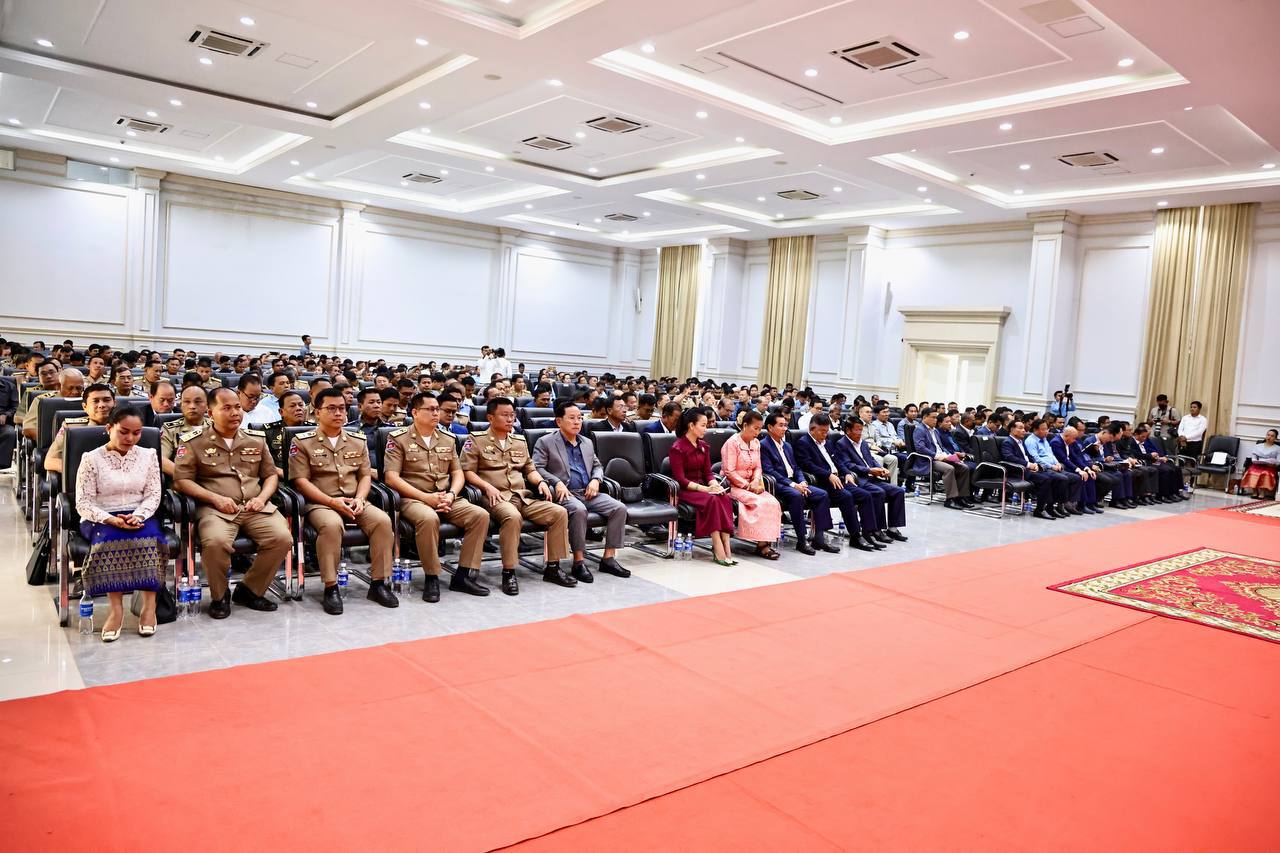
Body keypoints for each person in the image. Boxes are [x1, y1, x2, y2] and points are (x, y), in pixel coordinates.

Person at [173, 387, 293, 619]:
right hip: (215, 509)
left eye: (237, 407)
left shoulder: (256, 439)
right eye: (226, 408)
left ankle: (250, 590)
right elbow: (181, 481)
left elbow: (270, 475)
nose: (235, 412)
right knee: (216, 542)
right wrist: (214, 498)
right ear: (210, 413)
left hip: (255, 507)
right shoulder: (194, 442)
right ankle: (220, 596)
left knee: (282, 538)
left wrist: (262, 498)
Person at [289, 388, 398, 615]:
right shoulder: (302, 442)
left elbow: (365, 476)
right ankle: (331, 587)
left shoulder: (357, 440)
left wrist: (360, 498)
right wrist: (332, 502)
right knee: (331, 525)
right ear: (317, 412)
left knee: (382, 521)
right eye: (331, 408)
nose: (338, 413)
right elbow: (300, 482)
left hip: (354, 500)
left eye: (342, 408)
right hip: (320, 502)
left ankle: (378, 583)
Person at [384, 394, 490, 602]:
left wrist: (452, 494)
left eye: (436, 409)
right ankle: (432, 577)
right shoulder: (398, 438)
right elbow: (391, 478)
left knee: (480, 515)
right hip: (413, 498)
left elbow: (457, 473)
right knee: (428, 518)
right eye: (430, 409)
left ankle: (463, 575)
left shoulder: (447, 438)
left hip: (445, 496)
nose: (436, 413)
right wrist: (426, 497)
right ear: (415, 412)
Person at [74, 406, 167, 641]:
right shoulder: (91, 459)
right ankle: (116, 610)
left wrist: (139, 515)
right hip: (100, 516)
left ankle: (149, 607)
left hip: (139, 513)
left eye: (136, 433)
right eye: (123, 432)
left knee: (151, 540)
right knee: (110, 540)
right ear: (109, 428)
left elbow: (153, 494)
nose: (130, 438)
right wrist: (111, 519)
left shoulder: (148, 456)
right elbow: (83, 502)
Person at [463, 397, 572, 595]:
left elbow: (530, 469)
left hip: (522, 496)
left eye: (512, 415)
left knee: (558, 512)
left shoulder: (519, 441)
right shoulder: (476, 440)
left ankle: (553, 567)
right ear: (490, 417)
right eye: (504, 415)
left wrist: (540, 482)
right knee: (512, 517)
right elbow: (467, 471)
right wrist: (486, 487)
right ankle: (509, 571)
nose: (510, 419)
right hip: (494, 496)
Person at [533, 401, 631, 580]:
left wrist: (596, 480)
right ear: (559, 421)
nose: (577, 422)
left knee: (619, 508)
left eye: (579, 418)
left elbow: (597, 466)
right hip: (565, 493)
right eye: (571, 418)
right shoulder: (546, 442)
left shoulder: (586, 442)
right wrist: (556, 482)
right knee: (579, 510)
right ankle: (578, 562)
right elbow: (537, 468)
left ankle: (608, 559)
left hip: (588, 491)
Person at [795, 413, 883, 551]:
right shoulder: (803, 443)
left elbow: (838, 461)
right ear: (812, 429)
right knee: (846, 496)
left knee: (865, 495)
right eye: (822, 431)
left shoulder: (828, 442)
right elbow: (807, 465)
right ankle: (855, 536)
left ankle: (868, 533)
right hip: (822, 481)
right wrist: (828, 474)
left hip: (838, 480)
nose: (825, 434)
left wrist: (847, 473)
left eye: (827, 431)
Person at [759, 413, 837, 555]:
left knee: (821, 494)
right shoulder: (764, 445)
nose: (785, 428)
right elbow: (770, 471)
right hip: (779, 484)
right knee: (796, 495)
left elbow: (796, 468)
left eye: (786, 425)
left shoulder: (787, 446)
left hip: (795, 483)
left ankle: (819, 537)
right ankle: (802, 540)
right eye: (781, 425)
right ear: (770, 427)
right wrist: (794, 485)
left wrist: (802, 481)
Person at [668, 408, 737, 565]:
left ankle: (726, 545)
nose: (706, 429)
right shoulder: (677, 448)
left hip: (702, 488)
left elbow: (708, 473)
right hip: (686, 490)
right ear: (691, 425)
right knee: (712, 500)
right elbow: (681, 480)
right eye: (703, 425)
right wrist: (706, 489)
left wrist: (714, 485)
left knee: (724, 497)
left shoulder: (704, 446)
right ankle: (717, 545)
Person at [720, 411, 783, 559]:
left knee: (773, 502)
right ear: (745, 425)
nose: (758, 432)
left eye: (760, 429)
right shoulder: (732, 443)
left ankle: (763, 543)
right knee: (759, 502)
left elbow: (758, 467)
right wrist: (748, 486)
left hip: (753, 485)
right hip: (733, 486)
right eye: (755, 428)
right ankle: (762, 545)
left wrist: (755, 481)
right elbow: (729, 471)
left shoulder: (756, 443)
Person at [834, 418, 908, 541]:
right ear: (848, 430)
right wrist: (869, 470)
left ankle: (893, 529)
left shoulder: (863, 443)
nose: (860, 433)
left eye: (861, 430)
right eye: (857, 430)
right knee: (879, 492)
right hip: (859, 479)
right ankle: (877, 529)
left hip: (872, 478)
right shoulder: (841, 444)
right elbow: (848, 465)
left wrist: (881, 468)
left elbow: (871, 460)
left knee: (898, 491)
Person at [44, 382, 114, 475]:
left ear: (115, 403)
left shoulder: (125, 427)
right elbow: (50, 461)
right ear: (85, 407)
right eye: (95, 401)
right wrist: (83, 471)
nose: (102, 405)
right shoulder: (71, 427)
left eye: (106, 400)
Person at [911, 409, 973, 510]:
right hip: (929, 460)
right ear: (925, 417)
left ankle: (961, 497)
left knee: (963, 467)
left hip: (941, 457)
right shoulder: (920, 430)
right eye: (933, 417)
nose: (935, 420)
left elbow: (941, 447)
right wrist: (936, 456)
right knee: (949, 469)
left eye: (936, 417)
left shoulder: (935, 431)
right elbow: (920, 448)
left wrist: (951, 455)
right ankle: (950, 499)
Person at [1024, 417, 1079, 516]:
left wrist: (1057, 463)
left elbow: (1051, 454)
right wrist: (1051, 466)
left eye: (1047, 429)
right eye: (1043, 429)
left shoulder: (1044, 439)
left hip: (1053, 467)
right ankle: (1050, 507)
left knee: (1075, 478)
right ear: (1035, 429)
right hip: (1043, 468)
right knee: (1062, 478)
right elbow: (1035, 458)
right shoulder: (1031, 441)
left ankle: (1062, 504)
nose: (1046, 431)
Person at [160, 384, 211, 476]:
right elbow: (162, 460)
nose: (192, 406)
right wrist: (188, 477)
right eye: (187, 402)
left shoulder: (218, 427)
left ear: (207, 405)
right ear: (181, 405)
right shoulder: (170, 429)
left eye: (197, 402)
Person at [1133, 422, 1189, 502]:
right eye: (1147, 429)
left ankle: (1175, 492)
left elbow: (1157, 451)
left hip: (1156, 459)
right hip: (1150, 461)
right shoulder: (1141, 440)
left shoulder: (1150, 439)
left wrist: (1162, 457)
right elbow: (1145, 454)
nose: (1149, 431)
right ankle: (1163, 495)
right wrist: (1155, 457)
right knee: (1166, 470)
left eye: (1149, 429)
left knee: (1176, 468)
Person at [1049, 426, 1098, 514]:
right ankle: (1077, 505)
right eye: (1074, 438)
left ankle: (1089, 504)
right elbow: (1064, 459)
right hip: (1061, 466)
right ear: (1067, 436)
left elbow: (1074, 457)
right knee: (1080, 476)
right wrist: (1078, 470)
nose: (1075, 440)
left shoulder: (1069, 441)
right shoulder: (1056, 442)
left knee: (1089, 474)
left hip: (1070, 465)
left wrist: (1086, 468)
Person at [263, 390, 311, 475]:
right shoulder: (269, 432)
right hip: (281, 477)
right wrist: (285, 474)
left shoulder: (314, 429)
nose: (298, 408)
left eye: (301, 405)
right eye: (292, 406)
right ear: (281, 412)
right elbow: (263, 462)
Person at [1240, 429, 1279, 498]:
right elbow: (1253, 457)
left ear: (1275, 438)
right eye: (1268, 435)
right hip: (1257, 465)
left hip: (1270, 466)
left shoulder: (1278, 448)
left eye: (1272, 436)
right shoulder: (1258, 446)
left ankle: (1262, 493)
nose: (1269, 437)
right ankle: (1254, 492)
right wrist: (1255, 461)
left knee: (1265, 473)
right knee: (1251, 471)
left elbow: (1278, 461)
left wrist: (1274, 464)